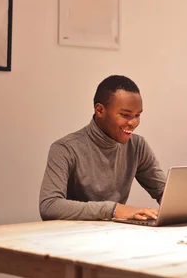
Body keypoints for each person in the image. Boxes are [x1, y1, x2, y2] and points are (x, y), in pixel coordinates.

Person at [39, 75, 167, 221]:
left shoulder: (137, 146)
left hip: (113, 234)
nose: (133, 123)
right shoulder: (65, 148)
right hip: (72, 237)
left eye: (137, 115)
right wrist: (114, 210)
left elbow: (165, 193)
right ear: (100, 110)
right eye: (125, 115)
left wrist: (184, 207)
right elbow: (49, 206)